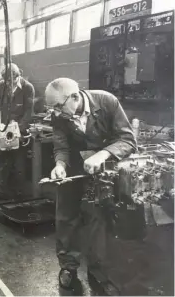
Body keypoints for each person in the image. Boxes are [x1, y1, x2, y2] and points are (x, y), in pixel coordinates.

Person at [44, 78, 137, 290]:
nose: (56, 113)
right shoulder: (59, 114)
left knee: (98, 221)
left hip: (103, 168)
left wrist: (103, 155)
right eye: (52, 109)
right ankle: (68, 266)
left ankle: (98, 272)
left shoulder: (107, 102)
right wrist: (60, 165)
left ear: (75, 98)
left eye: (58, 107)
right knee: (66, 216)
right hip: (74, 168)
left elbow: (128, 140)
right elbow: (61, 145)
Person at [0, 63, 35, 201]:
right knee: (0, 160)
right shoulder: (2, 86)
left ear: (18, 76)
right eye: (6, 81)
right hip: (3, 128)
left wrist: (19, 128)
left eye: (11, 81)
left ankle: (19, 194)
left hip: (19, 130)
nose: (9, 84)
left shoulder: (27, 88)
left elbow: (29, 112)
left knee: (19, 163)